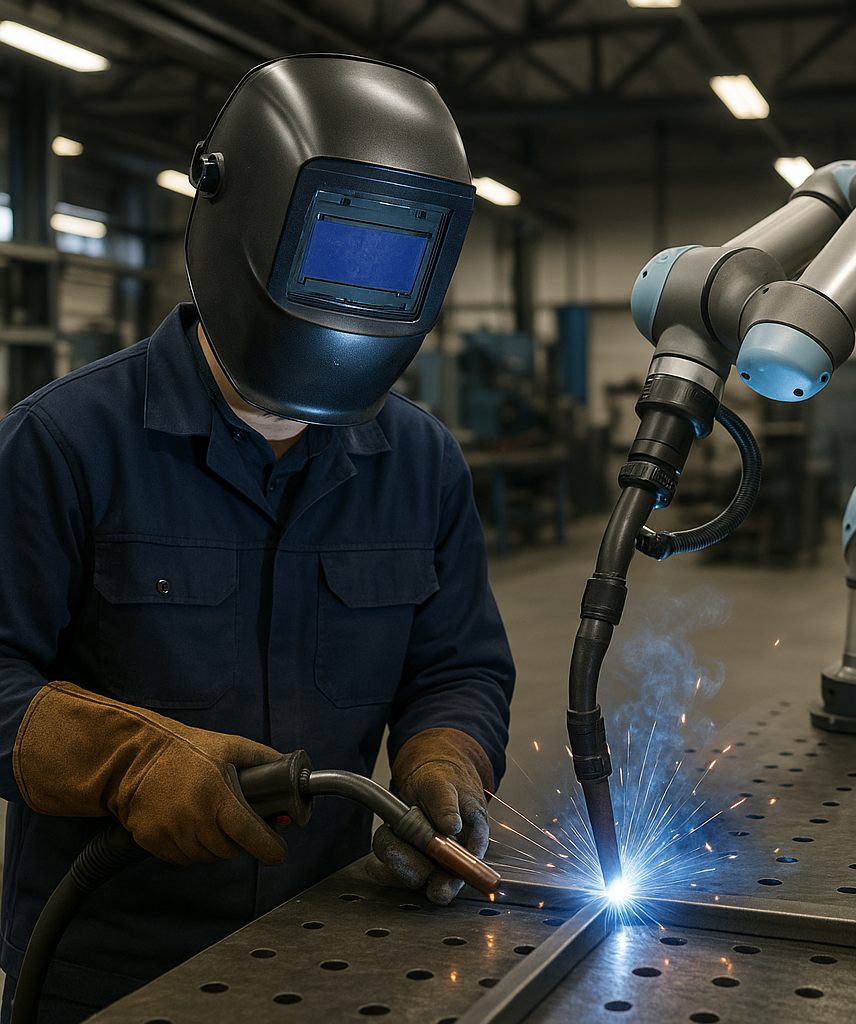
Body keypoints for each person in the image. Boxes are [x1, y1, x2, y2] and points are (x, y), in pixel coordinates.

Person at [0, 54, 514, 1024]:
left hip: (332, 939)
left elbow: (459, 663)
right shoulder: (63, 443)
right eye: (336, 250)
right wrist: (128, 760)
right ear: (245, 218)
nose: (353, 296)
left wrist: (445, 759)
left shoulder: (420, 461)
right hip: (106, 960)